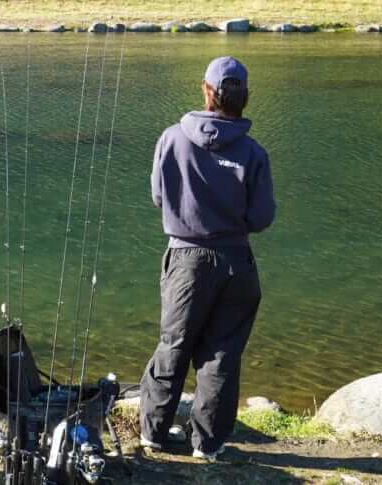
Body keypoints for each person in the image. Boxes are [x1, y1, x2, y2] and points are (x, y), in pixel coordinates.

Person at [139, 56, 275, 461]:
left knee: (173, 345)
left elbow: (159, 197)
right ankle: (208, 445)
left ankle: (154, 434)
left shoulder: (171, 138)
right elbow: (262, 217)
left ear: (206, 90)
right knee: (222, 353)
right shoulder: (253, 153)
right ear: (244, 98)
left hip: (184, 259)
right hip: (236, 261)